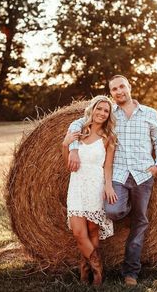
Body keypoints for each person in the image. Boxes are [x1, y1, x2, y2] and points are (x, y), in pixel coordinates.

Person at [67, 75, 157, 286]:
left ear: (129, 87)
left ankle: (130, 272)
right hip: (119, 176)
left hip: (143, 175)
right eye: (114, 89)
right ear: (111, 92)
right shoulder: (110, 113)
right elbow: (80, 122)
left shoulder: (150, 113)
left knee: (140, 221)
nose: (119, 91)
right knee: (113, 211)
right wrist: (73, 149)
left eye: (122, 86)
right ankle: (126, 205)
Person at [61, 95, 118, 286]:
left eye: (106, 111)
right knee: (78, 232)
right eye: (99, 109)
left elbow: (108, 166)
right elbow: (66, 162)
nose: (102, 113)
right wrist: (65, 143)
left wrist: (108, 185)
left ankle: (87, 271)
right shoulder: (78, 133)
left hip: (95, 185)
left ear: (109, 115)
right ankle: (97, 268)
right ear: (92, 110)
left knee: (93, 229)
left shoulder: (108, 138)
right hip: (76, 186)